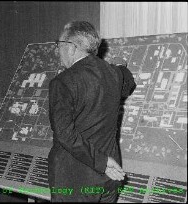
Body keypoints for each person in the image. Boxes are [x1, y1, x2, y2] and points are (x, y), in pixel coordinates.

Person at [48, 21, 136, 202]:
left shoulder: (62, 82)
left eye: (60, 45)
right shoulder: (115, 74)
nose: (58, 51)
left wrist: (101, 162)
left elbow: (66, 135)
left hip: (75, 182)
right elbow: (128, 82)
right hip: (110, 179)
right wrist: (120, 65)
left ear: (72, 48)